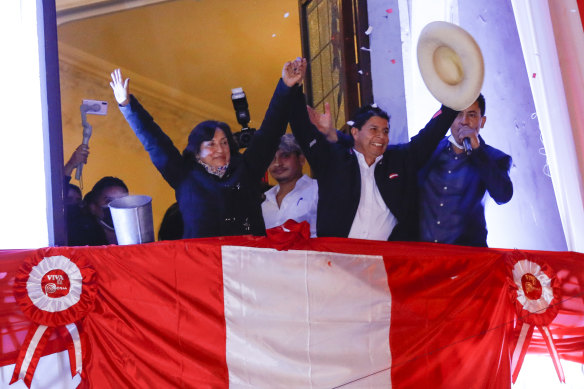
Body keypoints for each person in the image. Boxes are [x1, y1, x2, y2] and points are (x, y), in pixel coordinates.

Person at [110, 59, 305, 239]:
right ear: (197, 153)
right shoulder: (184, 175)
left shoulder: (246, 169)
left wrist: (286, 88)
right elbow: (154, 141)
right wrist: (127, 106)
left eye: (224, 142)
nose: (220, 149)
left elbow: (269, 132)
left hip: (249, 261)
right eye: (211, 144)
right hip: (203, 264)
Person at [289, 62, 459, 241]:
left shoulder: (400, 160)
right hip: (337, 260)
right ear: (355, 132)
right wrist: (293, 87)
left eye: (385, 131)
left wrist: (456, 98)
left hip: (388, 262)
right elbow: (302, 130)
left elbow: (430, 136)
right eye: (373, 129)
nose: (381, 136)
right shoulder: (334, 161)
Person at [417, 94, 513, 246]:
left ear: (482, 121)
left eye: (472, 115)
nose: (464, 121)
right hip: (423, 255)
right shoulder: (428, 149)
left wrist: (477, 151)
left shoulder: (495, 158)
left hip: (467, 258)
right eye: (458, 114)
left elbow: (503, 195)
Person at [261, 134, 318, 237]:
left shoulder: (317, 191)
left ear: (301, 159)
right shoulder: (264, 202)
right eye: (272, 158)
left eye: (285, 155)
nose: (277, 163)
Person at [66, 176, 129, 246]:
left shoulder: (137, 234)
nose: (117, 205)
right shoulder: (80, 237)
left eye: (122, 200)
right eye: (109, 201)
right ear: (93, 207)